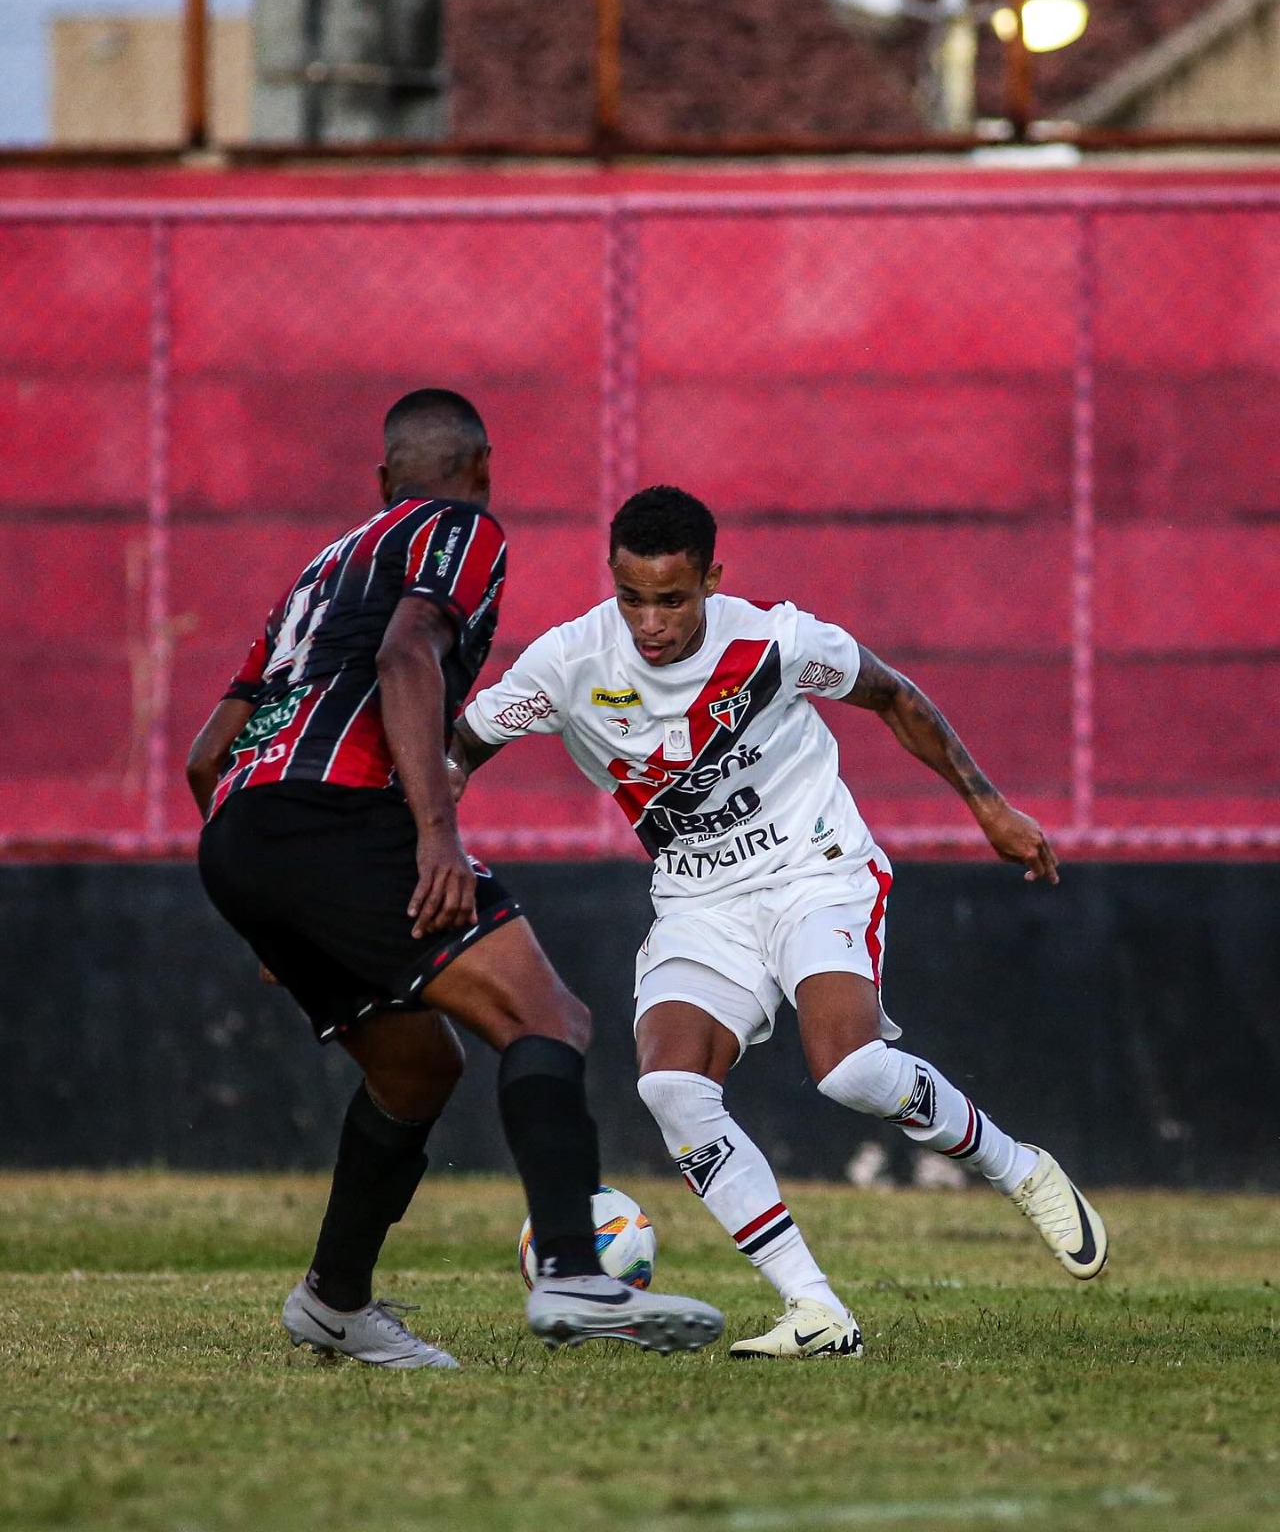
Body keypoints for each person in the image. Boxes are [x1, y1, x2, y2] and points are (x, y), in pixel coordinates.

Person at [450, 484, 1108, 1361]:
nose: (651, 623)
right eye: (632, 597)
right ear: (611, 580)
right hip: (697, 899)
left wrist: (988, 807)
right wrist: (407, 844)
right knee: (670, 1088)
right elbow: (458, 747)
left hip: (816, 869)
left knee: (850, 1070)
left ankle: (1015, 1166)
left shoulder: (775, 641)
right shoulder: (566, 666)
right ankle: (817, 1311)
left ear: (712, 579)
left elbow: (896, 696)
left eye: (673, 599)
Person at [187, 397, 723, 1369]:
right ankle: (570, 1267)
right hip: (339, 818)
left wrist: (277, 915)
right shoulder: (460, 529)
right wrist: (434, 832)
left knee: (415, 1068)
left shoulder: (317, 574)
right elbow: (405, 652)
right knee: (546, 1018)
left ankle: (334, 1300)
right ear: (478, 464)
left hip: (238, 833)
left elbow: (204, 755)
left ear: (380, 481)